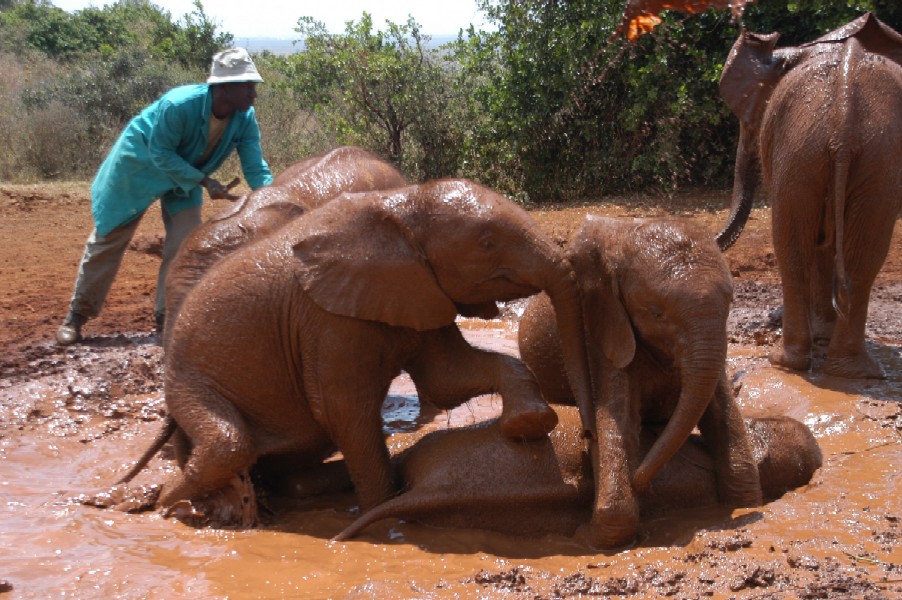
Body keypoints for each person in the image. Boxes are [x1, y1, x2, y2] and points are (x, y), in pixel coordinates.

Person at [56, 47, 273, 346]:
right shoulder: (179, 105)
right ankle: (76, 317)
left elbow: (255, 166)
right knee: (109, 239)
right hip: (139, 168)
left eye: (253, 85)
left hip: (184, 180)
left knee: (183, 245)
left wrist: (273, 196)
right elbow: (160, 152)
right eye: (247, 85)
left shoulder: (244, 118)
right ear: (224, 87)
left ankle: (166, 319)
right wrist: (204, 181)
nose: (253, 93)